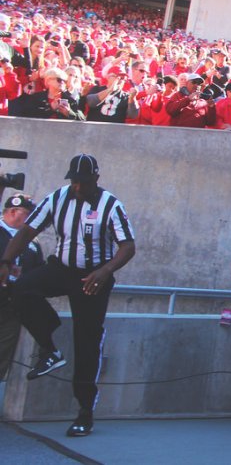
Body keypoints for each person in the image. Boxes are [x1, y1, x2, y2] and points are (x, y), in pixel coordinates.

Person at [0, 154, 136, 438]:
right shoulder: (58, 197)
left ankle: (84, 412)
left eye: (83, 182)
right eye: (73, 181)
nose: (77, 187)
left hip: (93, 277)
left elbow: (127, 246)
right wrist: (5, 261)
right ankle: (50, 349)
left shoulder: (111, 205)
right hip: (62, 268)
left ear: (95, 180)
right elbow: (26, 231)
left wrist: (106, 270)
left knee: (87, 341)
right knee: (22, 288)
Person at [0, 194, 44, 383]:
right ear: (12, 212)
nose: (32, 220)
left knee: (3, 354)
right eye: (28, 215)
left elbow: (38, 273)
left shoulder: (32, 243)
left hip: (13, 307)